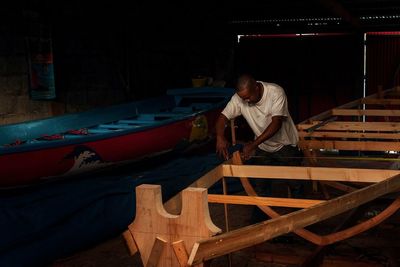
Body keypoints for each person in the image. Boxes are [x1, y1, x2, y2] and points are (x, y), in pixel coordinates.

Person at [215, 74, 304, 221]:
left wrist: (252, 146)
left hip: (286, 145)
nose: (246, 101)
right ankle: (260, 221)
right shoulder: (240, 98)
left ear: (256, 87)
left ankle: (301, 220)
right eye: (243, 98)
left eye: (248, 97)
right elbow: (223, 117)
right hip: (263, 145)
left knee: (295, 184)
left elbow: (276, 123)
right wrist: (220, 137)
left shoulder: (275, 92)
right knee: (261, 185)